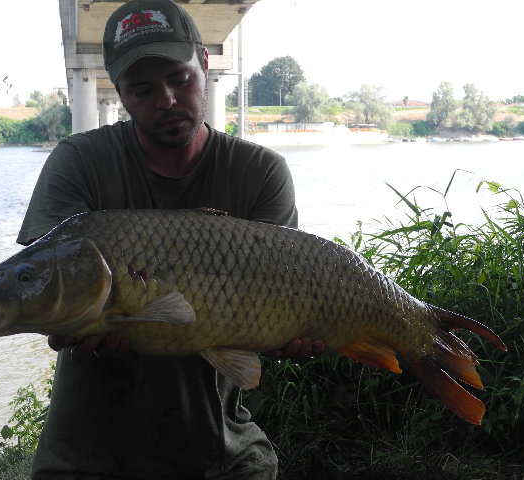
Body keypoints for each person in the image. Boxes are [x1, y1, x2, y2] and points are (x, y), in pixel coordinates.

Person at [17, 0, 323, 478]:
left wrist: (294, 333)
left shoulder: (261, 173)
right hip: (86, 459)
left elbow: (283, 300)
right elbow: (46, 288)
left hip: (221, 454)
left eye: (180, 79)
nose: (166, 100)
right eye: (142, 89)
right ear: (119, 91)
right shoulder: (78, 161)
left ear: (204, 63)